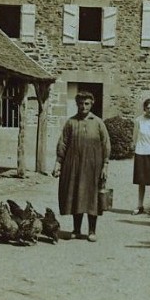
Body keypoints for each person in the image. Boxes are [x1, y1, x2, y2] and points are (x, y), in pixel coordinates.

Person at [52, 91, 111, 242]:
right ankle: (76, 230)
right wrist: (58, 163)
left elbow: (106, 145)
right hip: (74, 166)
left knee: (92, 198)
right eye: (81, 103)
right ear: (76, 104)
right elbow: (63, 143)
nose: (83, 106)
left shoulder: (98, 123)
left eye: (87, 104)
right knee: (76, 195)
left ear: (92, 104)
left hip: (93, 166)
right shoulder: (71, 122)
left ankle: (92, 231)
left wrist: (105, 165)